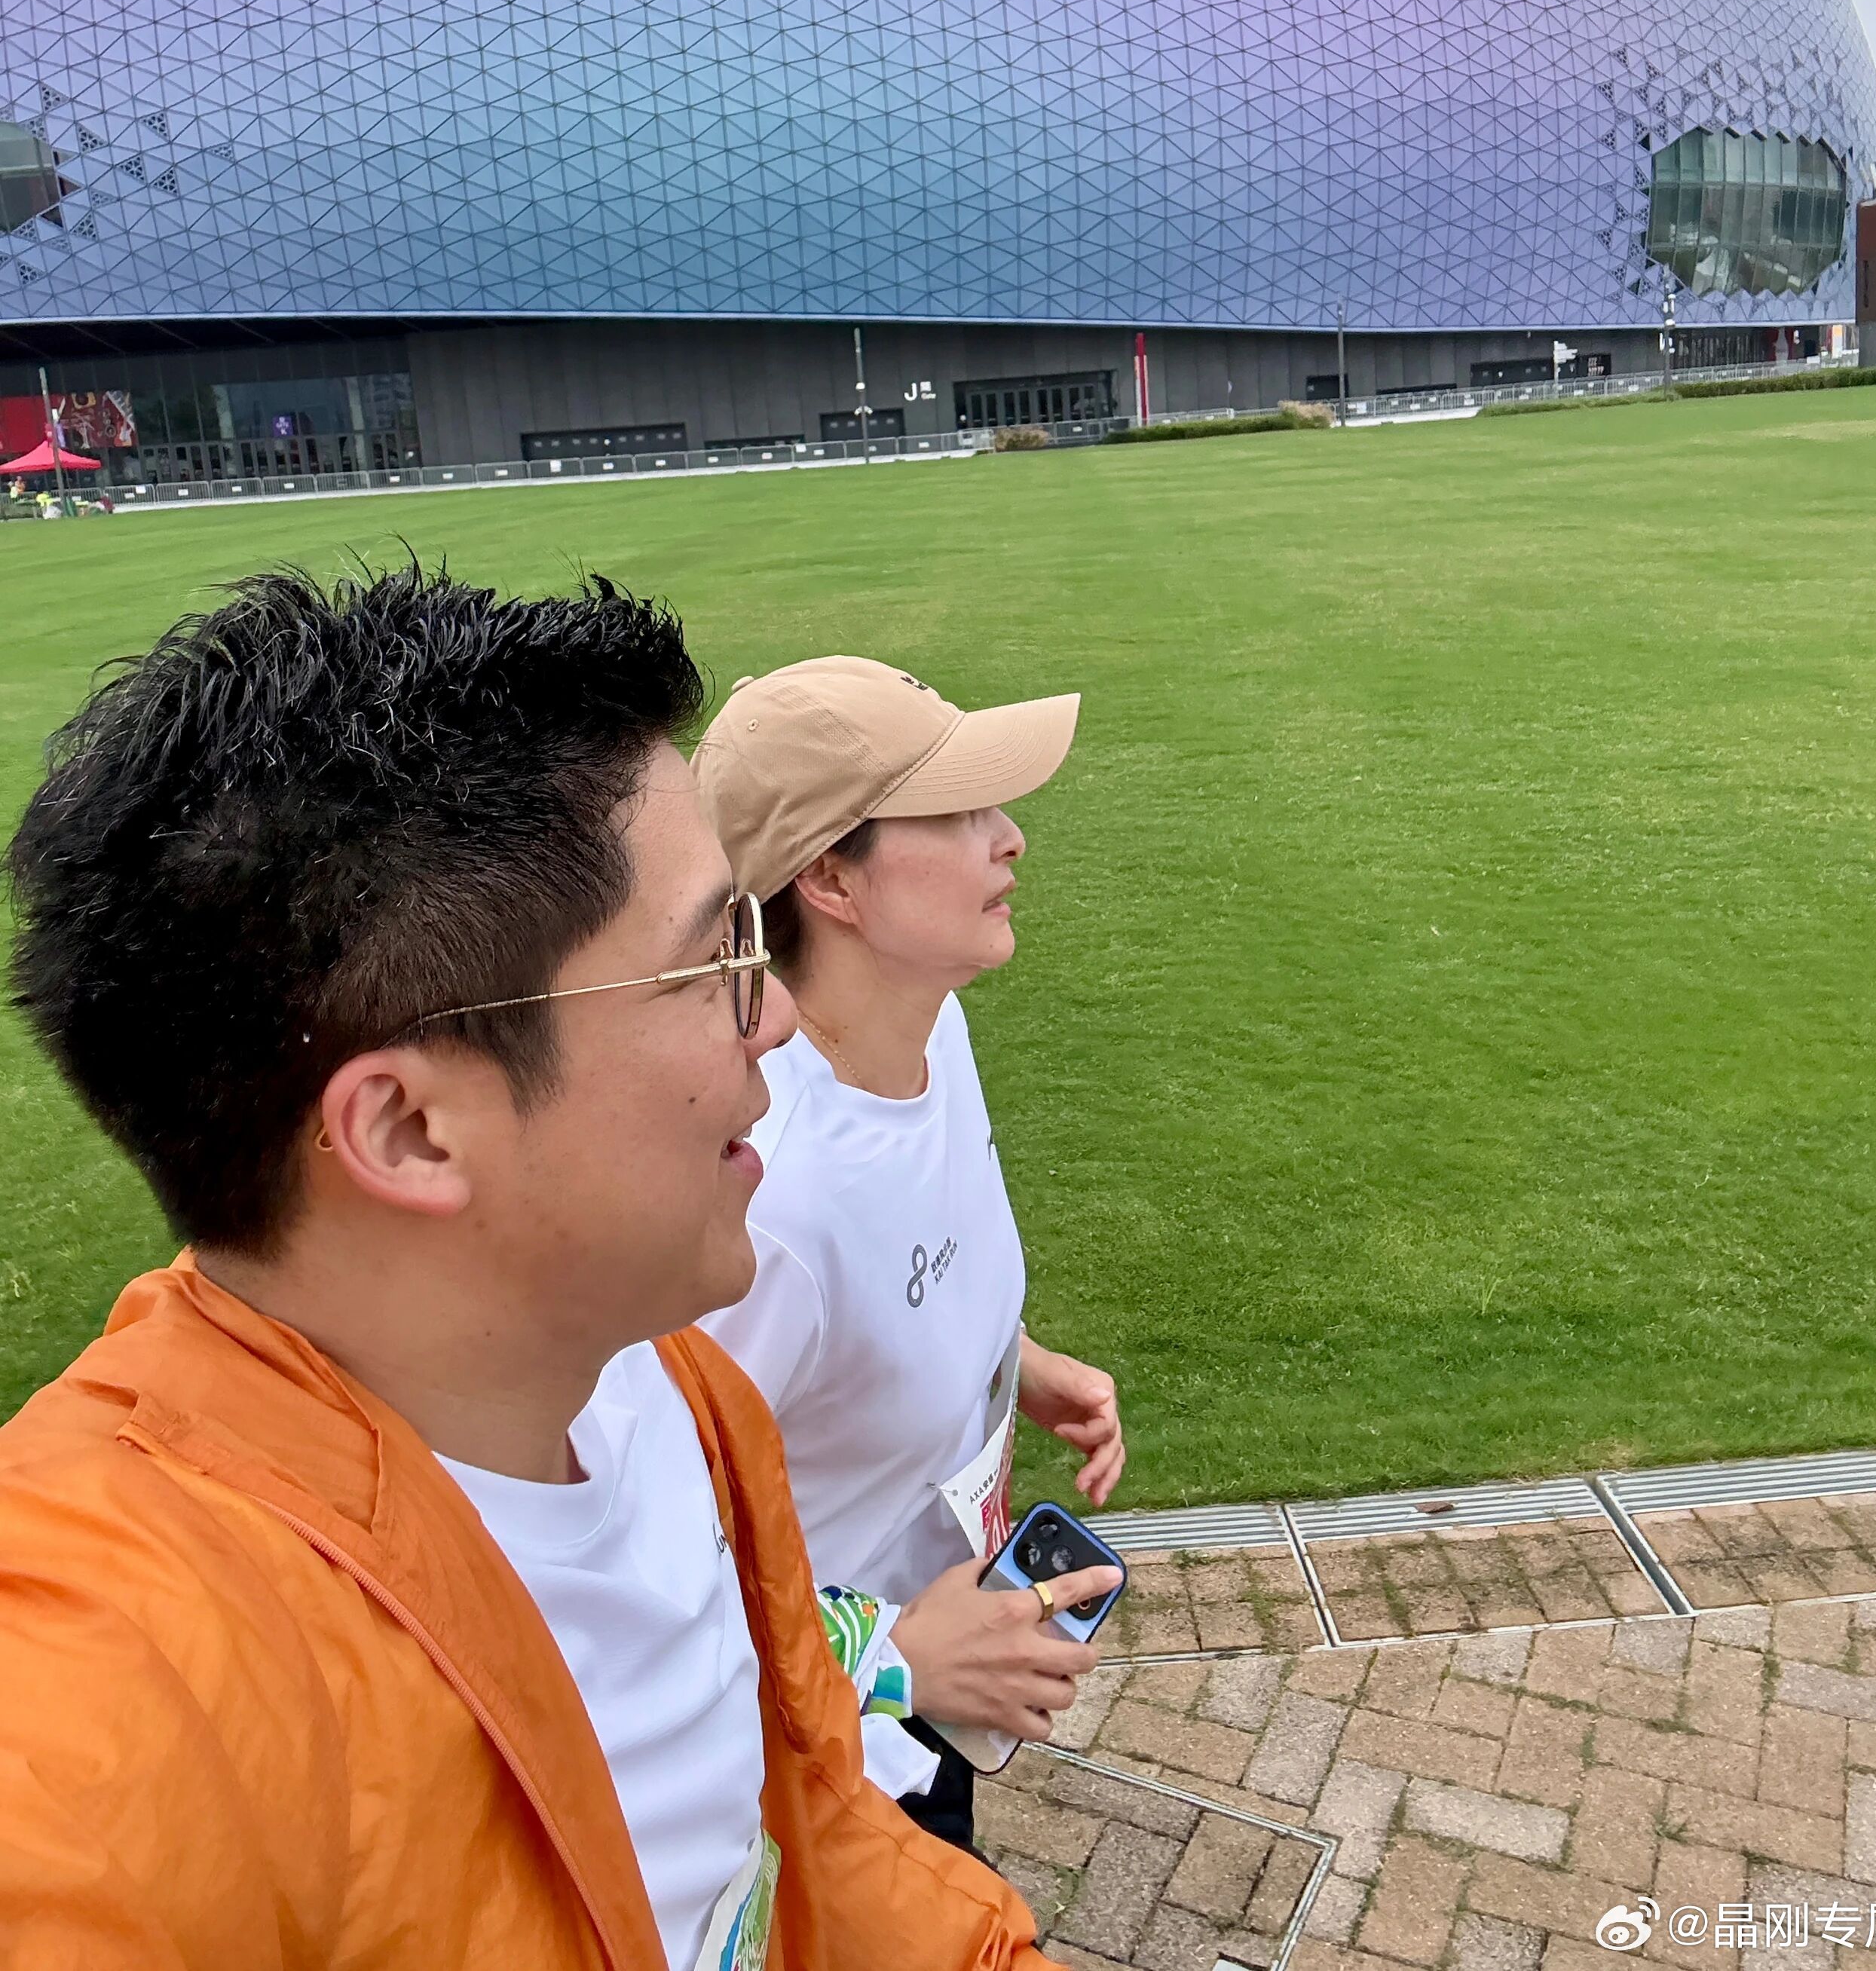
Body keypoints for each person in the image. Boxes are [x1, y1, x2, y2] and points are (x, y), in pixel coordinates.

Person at [0, 568, 1059, 1970]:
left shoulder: (668, 1387)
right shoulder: (123, 1687)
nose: (776, 1020)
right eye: (715, 959)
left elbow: (811, 1832)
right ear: (409, 1129)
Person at [693, 656, 1125, 1853]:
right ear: (831, 877)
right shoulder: (763, 1203)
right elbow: (654, 1573)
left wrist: (1010, 1361)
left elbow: (899, 1276)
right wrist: (896, 1661)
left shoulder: (935, 1031)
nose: (1012, 837)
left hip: (935, 1677)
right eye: (961, 811)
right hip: (830, 1768)